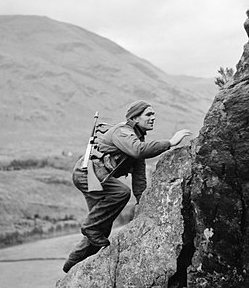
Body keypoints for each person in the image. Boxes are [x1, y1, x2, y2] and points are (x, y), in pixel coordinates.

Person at [62, 100, 191, 273]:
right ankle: (89, 227)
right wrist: (170, 143)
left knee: (102, 229)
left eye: (153, 114)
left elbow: (139, 178)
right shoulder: (123, 132)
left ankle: (72, 265)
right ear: (135, 118)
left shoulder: (137, 138)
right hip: (87, 175)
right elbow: (138, 150)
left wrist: (143, 204)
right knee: (121, 193)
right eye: (148, 114)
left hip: (96, 177)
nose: (153, 117)